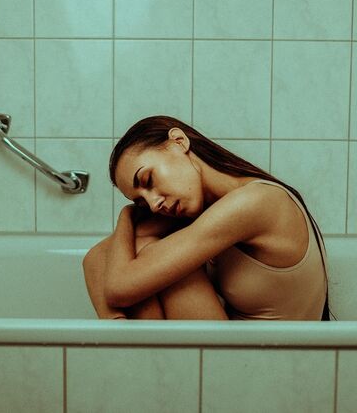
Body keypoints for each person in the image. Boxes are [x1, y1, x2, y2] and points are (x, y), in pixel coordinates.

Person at [82, 115, 332, 321]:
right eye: (141, 203)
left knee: (149, 255)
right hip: (237, 356)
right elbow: (95, 258)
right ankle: (135, 352)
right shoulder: (208, 211)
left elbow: (118, 289)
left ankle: (136, 356)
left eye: (148, 180)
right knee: (133, 254)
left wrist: (127, 214)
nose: (154, 205)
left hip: (267, 363)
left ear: (179, 142)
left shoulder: (256, 201)